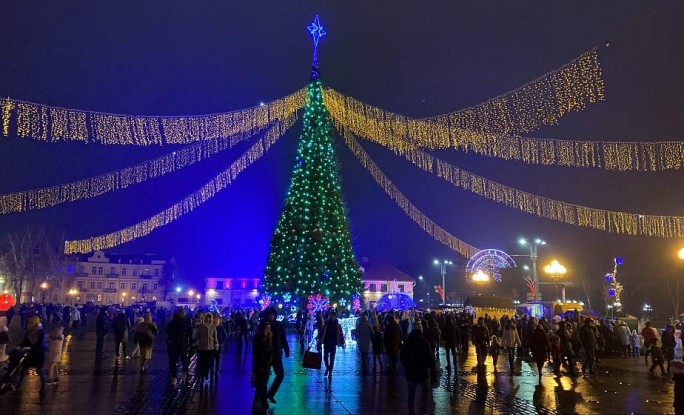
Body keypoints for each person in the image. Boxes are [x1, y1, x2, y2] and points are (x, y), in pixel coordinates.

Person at [400, 319, 437, 415]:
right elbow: (430, 358)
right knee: (425, 393)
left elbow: (403, 356)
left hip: (411, 372)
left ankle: (412, 412)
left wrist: (406, 367)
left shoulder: (408, 341)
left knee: (411, 395)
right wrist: (433, 372)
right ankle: (423, 411)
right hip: (423, 372)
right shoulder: (424, 341)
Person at [14, 316, 48, 391]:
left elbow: (41, 343)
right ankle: (18, 385)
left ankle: (43, 384)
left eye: (31, 323)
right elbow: (25, 340)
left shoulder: (41, 331)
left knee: (40, 369)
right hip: (30, 353)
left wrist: (32, 347)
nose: (30, 324)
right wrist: (21, 347)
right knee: (23, 369)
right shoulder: (29, 331)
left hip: (38, 354)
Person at [264, 307, 290, 403]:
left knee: (280, 374)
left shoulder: (279, 325)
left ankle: (270, 393)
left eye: (273, 314)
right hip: (266, 354)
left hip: (276, 353)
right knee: (264, 376)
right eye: (270, 314)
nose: (271, 316)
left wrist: (286, 349)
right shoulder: (263, 325)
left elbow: (283, 338)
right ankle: (262, 397)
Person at [166, 308, 192, 385]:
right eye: (181, 313)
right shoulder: (174, 321)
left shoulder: (187, 321)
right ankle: (174, 377)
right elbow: (168, 330)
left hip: (183, 344)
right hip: (175, 344)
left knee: (184, 361)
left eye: (183, 312)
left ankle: (184, 374)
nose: (182, 314)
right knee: (174, 361)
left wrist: (190, 343)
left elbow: (189, 333)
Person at [251, 321, 273, 414]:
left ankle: (255, 402)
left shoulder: (270, 338)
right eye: (266, 328)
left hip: (266, 365)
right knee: (262, 385)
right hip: (260, 365)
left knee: (261, 386)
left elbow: (271, 351)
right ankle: (264, 404)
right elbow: (256, 354)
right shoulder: (258, 338)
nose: (268, 330)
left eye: (269, 328)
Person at [319, 311, 344, 377]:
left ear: (335, 317)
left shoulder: (337, 325)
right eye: (331, 316)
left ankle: (330, 371)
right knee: (325, 357)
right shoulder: (327, 323)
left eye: (334, 316)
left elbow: (340, 334)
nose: (332, 317)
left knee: (332, 358)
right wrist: (320, 339)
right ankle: (328, 367)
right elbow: (322, 331)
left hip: (333, 343)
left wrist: (342, 342)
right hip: (326, 342)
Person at [194, 313, 218, 383]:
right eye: (207, 318)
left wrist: (216, 344)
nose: (208, 319)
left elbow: (215, 336)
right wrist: (194, 342)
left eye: (209, 318)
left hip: (210, 347)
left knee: (208, 362)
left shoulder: (213, 326)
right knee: (201, 361)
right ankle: (201, 374)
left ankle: (206, 373)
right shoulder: (200, 326)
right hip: (202, 347)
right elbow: (197, 335)